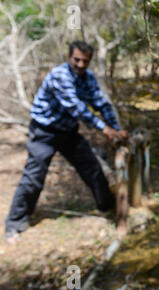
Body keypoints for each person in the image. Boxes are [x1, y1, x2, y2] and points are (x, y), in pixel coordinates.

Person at [3, 41, 128, 245]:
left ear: (89, 61)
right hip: (44, 132)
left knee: (92, 168)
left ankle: (108, 207)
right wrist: (105, 130)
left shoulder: (88, 78)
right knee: (34, 177)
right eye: (76, 59)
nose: (80, 64)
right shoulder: (60, 75)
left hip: (68, 132)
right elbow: (76, 108)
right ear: (70, 57)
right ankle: (14, 225)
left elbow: (101, 103)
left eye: (84, 61)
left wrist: (116, 128)